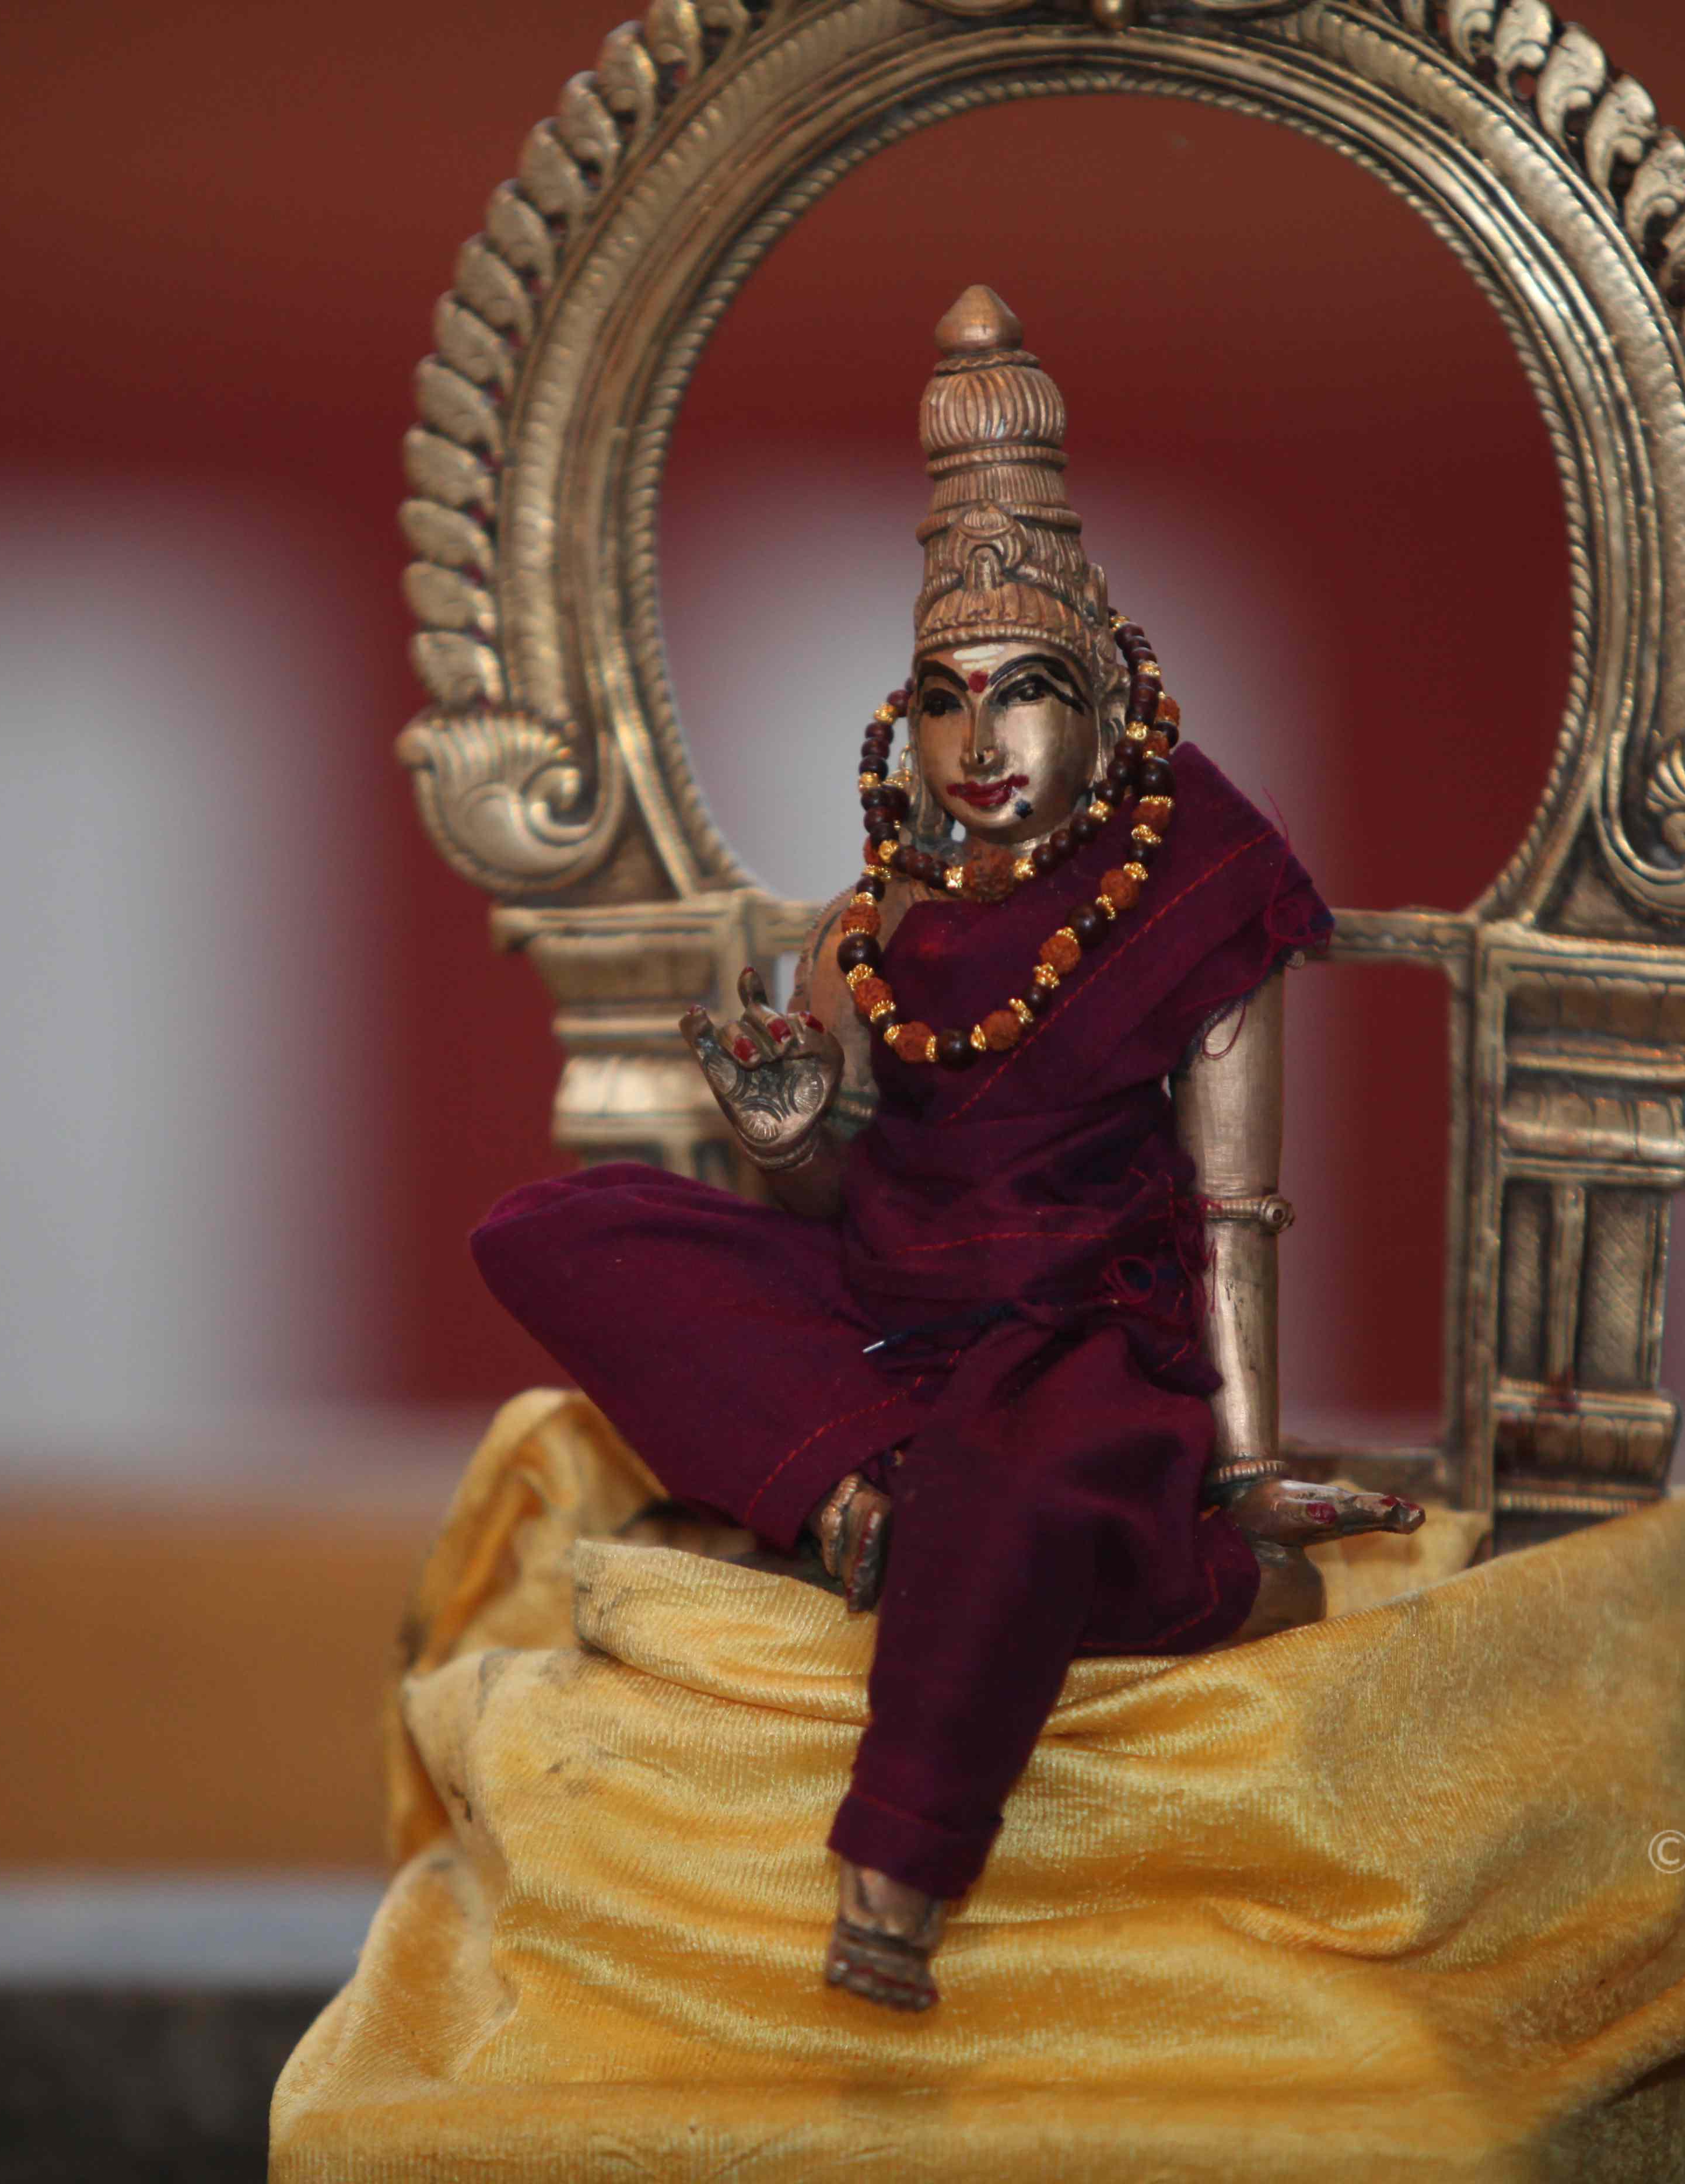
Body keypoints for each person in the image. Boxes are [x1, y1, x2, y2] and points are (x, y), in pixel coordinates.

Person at [471, 286, 1420, 2014]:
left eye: (1027, 696)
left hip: (1075, 1340)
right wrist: (788, 1139)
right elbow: (844, 1187)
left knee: (1025, 1484)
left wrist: (1243, 1464)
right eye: (946, 701)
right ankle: (871, 1510)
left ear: (1109, 707)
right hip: (888, 1319)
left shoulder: (1190, 904)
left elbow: (1238, 1210)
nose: (982, 748)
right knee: (563, 1231)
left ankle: (896, 1882)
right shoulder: (877, 916)